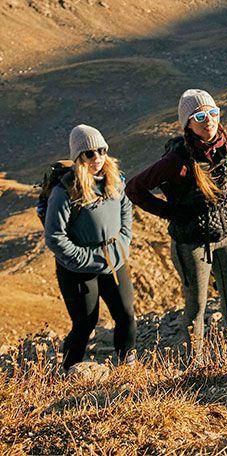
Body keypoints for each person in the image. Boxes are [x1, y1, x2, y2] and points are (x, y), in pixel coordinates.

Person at [126, 89, 227, 355]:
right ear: (188, 123)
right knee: (196, 305)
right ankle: (194, 365)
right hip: (191, 242)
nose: (209, 120)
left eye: (213, 113)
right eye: (200, 116)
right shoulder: (175, 161)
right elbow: (134, 189)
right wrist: (170, 212)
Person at [43, 125, 136, 372]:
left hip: (114, 260)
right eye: (89, 153)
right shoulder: (65, 191)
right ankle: (69, 370)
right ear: (78, 158)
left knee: (126, 314)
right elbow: (54, 237)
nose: (97, 158)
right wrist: (88, 259)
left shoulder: (115, 180)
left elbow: (126, 210)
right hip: (78, 270)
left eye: (101, 150)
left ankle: (127, 369)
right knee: (86, 322)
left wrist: (122, 243)